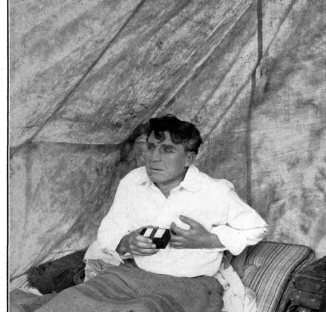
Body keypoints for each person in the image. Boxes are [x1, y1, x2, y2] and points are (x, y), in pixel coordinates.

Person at [84, 114, 268, 279]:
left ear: (189, 158)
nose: (154, 157)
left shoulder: (214, 191)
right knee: (75, 304)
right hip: (136, 275)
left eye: (167, 150)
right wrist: (126, 243)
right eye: (150, 147)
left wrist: (210, 240)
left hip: (189, 285)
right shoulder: (132, 182)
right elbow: (108, 231)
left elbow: (257, 228)